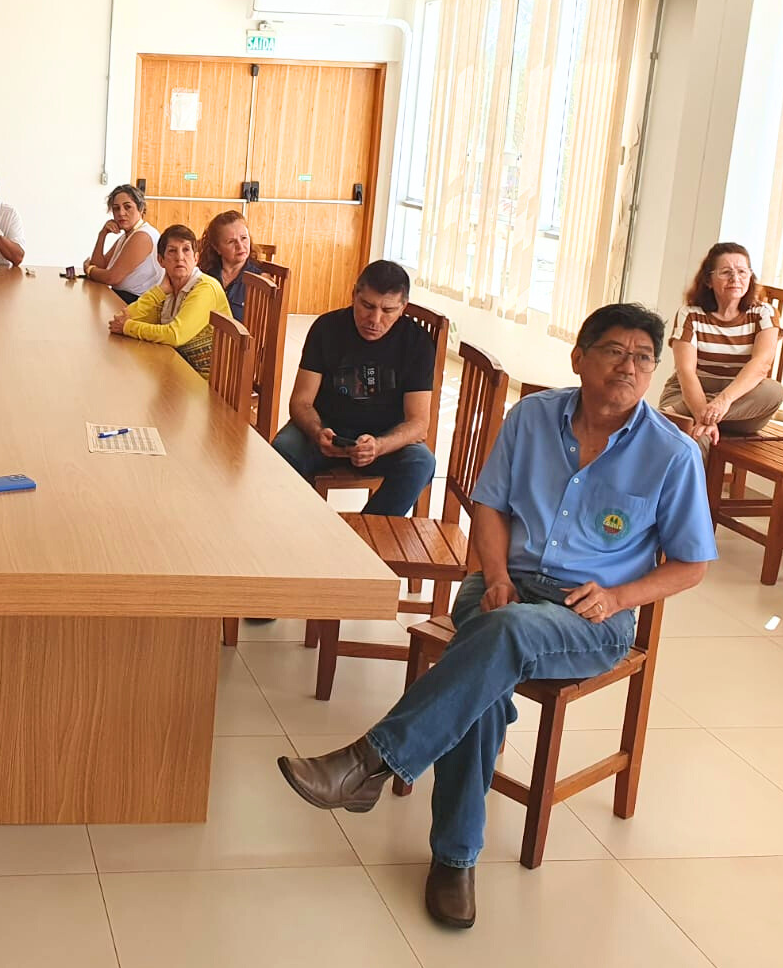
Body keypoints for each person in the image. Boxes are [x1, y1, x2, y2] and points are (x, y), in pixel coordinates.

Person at [275, 303, 716, 930]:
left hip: (591, 617)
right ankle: (452, 858)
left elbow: (693, 564)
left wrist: (619, 598)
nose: (630, 366)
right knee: (486, 673)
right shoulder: (533, 418)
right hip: (502, 585)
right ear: (580, 358)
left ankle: (371, 763)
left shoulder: (671, 454)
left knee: (496, 642)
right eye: (615, 350)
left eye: (644, 357)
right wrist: (500, 575)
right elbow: (489, 507)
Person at [270, 260, 436, 517]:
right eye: (367, 306)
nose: (374, 319)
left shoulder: (417, 343)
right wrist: (317, 432)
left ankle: (365, 537)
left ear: (403, 308)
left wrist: (379, 446)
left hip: (384, 438)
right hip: (326, 429)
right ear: (354, 295)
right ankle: (296, 527)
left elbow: (418, 422)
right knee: (282, 450)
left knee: (421, 462)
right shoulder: (327, 328)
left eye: (388, 310)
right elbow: (300, 401)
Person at [659, 242, 783, 443]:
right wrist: (704, 415)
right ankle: (698, 419)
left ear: (750, 277)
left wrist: (721, 403)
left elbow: (761, 365)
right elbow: (685, 371)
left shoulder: (764, 313)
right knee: (698, 437)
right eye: (726, 272)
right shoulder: (690, 314)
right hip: (689, 392)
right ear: (708, 280)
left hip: (741, 405)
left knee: (774, 391)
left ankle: (677, 413)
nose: (735, 278)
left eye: (742, 272)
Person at [107, 224, 231, 378]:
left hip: (209, 383)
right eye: (172, 251)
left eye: (186, 250)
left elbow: (175, 335)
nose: (180, 257)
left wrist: (127, 327)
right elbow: (124, 317)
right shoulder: (168, 289)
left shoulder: (205, 288)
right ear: (161, 260)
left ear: (196, 258)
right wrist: (159, 291)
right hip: (181, 369)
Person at [82, 184, 162, 304]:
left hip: (138, 304)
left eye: (127, 207)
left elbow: (111, 277)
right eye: (116, 208)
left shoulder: (143, 236)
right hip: (122, 298)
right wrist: (102, 234)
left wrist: (89, 270)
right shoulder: (127, 235)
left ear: (140, 209)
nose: (121, 213)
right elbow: (100, 266)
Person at [198, 210, 266, 322]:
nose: (240, 246)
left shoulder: (259, 280)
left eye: (244, 238)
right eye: (231, 242)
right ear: (217, 248)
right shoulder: (206, 275)